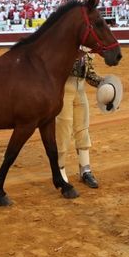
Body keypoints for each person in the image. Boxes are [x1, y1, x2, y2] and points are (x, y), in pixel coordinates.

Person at [55, 49, 103, 189]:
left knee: (82, 130)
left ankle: (85, 170)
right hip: (63, 92)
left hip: (80, 92)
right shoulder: (63, 45)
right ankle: (60, 169)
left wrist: (103, 83)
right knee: (63, 132)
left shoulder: (86, 49)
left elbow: (89, 74)